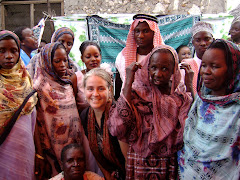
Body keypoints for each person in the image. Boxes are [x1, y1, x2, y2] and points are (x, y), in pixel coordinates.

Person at [108, 45, 193, 179]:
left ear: (173, 70)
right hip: (140, 160)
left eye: (165, 68)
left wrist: (189, 85)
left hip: (168, 160)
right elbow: (118, 124)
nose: (158, 74)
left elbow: (191, 123)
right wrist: (129, 80)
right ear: (148, 67)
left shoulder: (179, 95)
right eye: (154, 67)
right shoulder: (136, 93)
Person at [178, 39, 240, 179]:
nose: (206, 72)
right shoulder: (201, 101)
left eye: (215, 66)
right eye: (204, 65)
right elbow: (188, 139)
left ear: (232, 69)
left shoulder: (237, 107)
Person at [33, 42, 88, 177]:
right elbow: (37, 121)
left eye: (65, 60)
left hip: (74, 140)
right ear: (47, 62)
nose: (63, 65)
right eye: (57, 61)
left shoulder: (67, 82)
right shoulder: (40, 87)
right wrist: (40, 152)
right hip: (52, 145)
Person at [0, 30, 42, 179]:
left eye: (14, 50)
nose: (9, 56)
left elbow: (32, 119)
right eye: (2, 51)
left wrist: (38, 152)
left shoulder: (25, 80)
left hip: (25, 150)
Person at [80, 68, 126, 180]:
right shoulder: (85, 116)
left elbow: (128, 158)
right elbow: (96, 152)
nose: (95, 94)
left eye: (101, 88)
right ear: (84, 90)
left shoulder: (118, 115)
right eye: (90, 89)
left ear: (109, 90)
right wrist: (107, 175)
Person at [114, 14, 164, 99]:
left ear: (154, 33)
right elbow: (119, 84)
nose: (140, 36)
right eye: (137, 31)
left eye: (145, 31)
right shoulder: (123, 56)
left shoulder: (163, 56)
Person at [181, 21, 214, 96]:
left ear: (213, 40)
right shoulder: (186, 66)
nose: (203, 43)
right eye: (198, 40)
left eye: (207, 39)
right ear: (193, 42)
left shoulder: (219, 65)